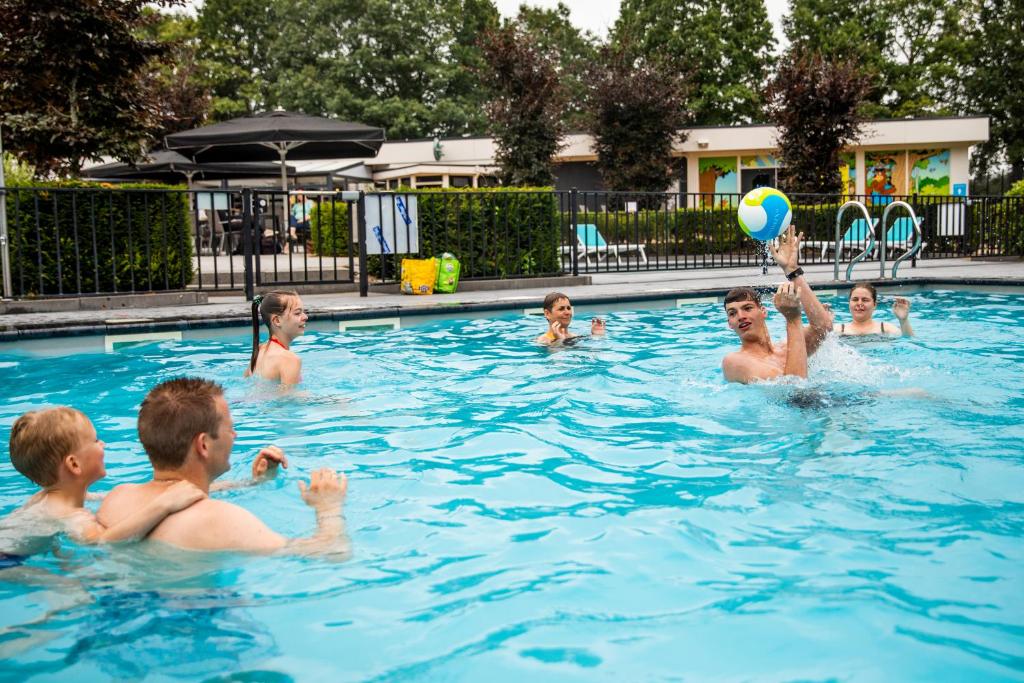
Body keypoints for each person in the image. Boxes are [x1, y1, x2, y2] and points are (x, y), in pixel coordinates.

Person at [97, 378, 349, 555]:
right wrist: (328, 508)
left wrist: (255, 483)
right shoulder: (222, 520)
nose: (235, 436)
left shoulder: (116, 499)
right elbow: (331, 552)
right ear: (204, 445)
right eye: (229, 428)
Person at [2, 407, 205, 560]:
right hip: (6, 563)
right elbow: (102, 541)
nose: (103, 444)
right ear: (74, 464)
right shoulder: (70, 515)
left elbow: (107, 498)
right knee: (73, 593)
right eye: (95, 440)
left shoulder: (51, 498)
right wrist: (163, 505)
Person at [721, 225, 833, 384]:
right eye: (732, 313)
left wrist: (792, 271)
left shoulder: (786, 349)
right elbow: (795, 388)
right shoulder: (734, 362)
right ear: (730, 324)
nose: (740, 316)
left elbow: (824, 328)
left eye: (747, 308)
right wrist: (792, 318)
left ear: (763, 311)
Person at [245, 291, 307, 384]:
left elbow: (247, 380)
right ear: (277, 320)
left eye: (303, 312)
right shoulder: (290, 359)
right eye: (297, 313)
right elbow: (288, 398)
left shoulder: (260, 349)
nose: (305, 317)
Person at [834, 283, 914, 337]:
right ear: (849, 303)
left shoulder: (886, 329)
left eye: (865, 300)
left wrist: (903, 320)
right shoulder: (838, 330)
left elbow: (908, 340)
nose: (859, 303)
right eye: (855, 299)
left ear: (874, 305)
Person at [535, 292, 606, 346]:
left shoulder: (576, 337)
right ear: (547, 314)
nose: (567, 312)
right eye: (561, 309)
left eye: (568, 308)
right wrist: (559, 341)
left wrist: (597, 336)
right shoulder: (543, 341)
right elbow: (557, 363)